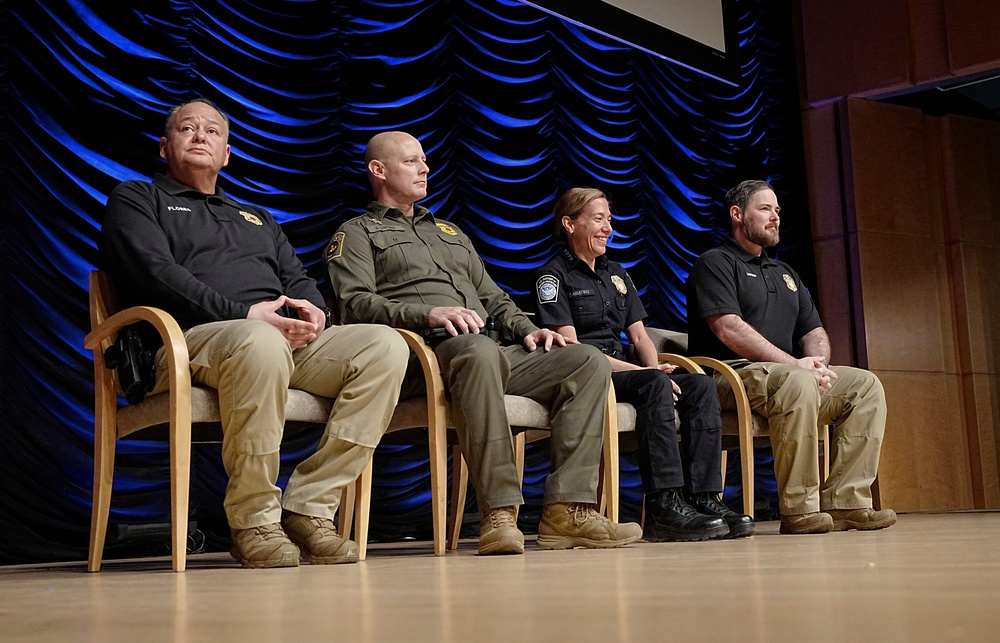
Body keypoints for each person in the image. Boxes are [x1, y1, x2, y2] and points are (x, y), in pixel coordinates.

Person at [100, 98, 410, 568]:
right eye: (188, 128)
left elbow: (298, 277)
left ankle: (308, 507)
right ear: (165, 147)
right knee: (259, 340)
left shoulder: (257, 218)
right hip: (182, 344)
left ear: (227, 154)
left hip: (270, 340)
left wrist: (315, 311)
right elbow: (155, 273)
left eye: (213, 131)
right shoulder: (137, 198)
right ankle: (254, 521)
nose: (201, 136)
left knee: (385, 345)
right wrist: (246, 315)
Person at [325, 131, 642, 555]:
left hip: (489, 349)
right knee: (477, 350)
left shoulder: (450, 233)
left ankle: (568, 512)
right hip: (424, 356)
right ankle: (499, 512)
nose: (425, 168)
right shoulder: (357, 233)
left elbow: (493, 297)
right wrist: (428, 314)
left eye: (425, 160)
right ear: (378, 171)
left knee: (583, 360)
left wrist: (528, 330)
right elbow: (353, 303)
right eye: (411, 162)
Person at [534, 188, 755, 541]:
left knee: (700, 385)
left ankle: (703, 497)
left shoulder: (618, 274)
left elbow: (640, 338)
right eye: (597, 219)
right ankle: (664, 504)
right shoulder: (553, 276)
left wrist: (657, 367)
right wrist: (647, 374)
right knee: (652, 385)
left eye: (609, 219)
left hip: (629, 372)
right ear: (569, 223)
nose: (607, 227)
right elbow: (573, 352)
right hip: (591, 376)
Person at [687, 179, 896, 534]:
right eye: (765, 209)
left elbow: (812, 330)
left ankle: (846, 501)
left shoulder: (786, 274)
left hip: (786, 378)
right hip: (730, 377)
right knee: (797, 380)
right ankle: (800, 509)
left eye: (778, 210)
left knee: (865, 385)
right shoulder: (716, 262)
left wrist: (818, 365)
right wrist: (795, 365)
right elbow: (727, 328)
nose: (775, 217)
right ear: (738, 215)